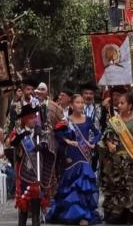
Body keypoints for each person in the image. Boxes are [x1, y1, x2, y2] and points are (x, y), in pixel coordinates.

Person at [99, 93, 133, 224]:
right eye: (118, 103)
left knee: (132, 188)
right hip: (117, 161)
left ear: (130, 106)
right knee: (118, 187)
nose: (119, 105)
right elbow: (107, 134)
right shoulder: (114, 121)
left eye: (122, 103)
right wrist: (109, 143)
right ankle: (119, 214)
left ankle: (132, 215)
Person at [46, 95, 101, 225]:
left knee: (83, 184)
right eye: (77, 102)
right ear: (71, 105)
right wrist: (67, 140)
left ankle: (83, 215)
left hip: (84, 156)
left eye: (82, 103)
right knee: (72, 184)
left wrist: (92, 142)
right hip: (71, 155)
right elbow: (57, 134)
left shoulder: (88, 120)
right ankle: (72, 214)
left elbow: (98, 133)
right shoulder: (66, 120)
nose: (81, 105)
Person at [9, 104, 57, 226]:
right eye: (30, 117)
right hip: (23, 173)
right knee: (23, 207)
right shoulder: (18, 132)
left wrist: (43, 145)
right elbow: (12, 143)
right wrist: (21, 136)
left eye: (34, 117)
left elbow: (49, 143)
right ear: (24, 119)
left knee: (36, 208)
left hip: (37, 174)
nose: (33, 120)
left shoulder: (39, 132)